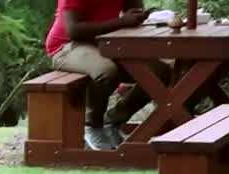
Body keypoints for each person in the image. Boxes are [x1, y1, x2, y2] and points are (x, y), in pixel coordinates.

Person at [44, 0, 170, 150]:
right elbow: (74, 30)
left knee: (159, 72)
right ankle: (93, 126)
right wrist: (121, 22)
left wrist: (137, 14)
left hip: (107, 43)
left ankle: (113, 121)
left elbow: (133, 11)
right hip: (68, 45)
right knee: (106, 71)